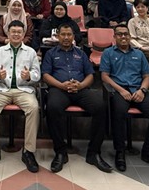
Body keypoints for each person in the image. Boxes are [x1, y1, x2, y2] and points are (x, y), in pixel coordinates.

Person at [42, 23, 112, 173]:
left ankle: (94, 153)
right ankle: (60, 152)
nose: (66, 37)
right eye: (63, 34)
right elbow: (46, 75)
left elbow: (90, 75)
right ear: (58, 36)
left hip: (80, 89)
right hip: (59, 89)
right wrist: (62, 85)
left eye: (69, 35)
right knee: (52, 108)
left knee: (100, 106)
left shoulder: (81, 54)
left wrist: (80, 86)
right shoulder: (51, 53)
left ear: (74, 37)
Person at [100, 23, 149, 172]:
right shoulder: (108, 53)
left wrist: (142, 90)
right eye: (120, 34)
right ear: (114, 37)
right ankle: (120, 151)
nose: (123, 37)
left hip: (138, 90)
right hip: (119, 90)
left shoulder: (139, 54)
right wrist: (121, 90)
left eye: (126, 34)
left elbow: (146, 76)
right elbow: (104, 76)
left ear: (130, 36)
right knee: (119, 112)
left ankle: (148, 151)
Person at [0, 20, 41, 173]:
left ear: (23, 34)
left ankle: (28, 151)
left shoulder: (31, 52)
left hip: (23, 90)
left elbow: (37, 74)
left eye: (19, 32)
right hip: (2, 89)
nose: (16, 34)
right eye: (13, 31)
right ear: (8, 33)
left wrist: (29, 76)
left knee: (33, 108)